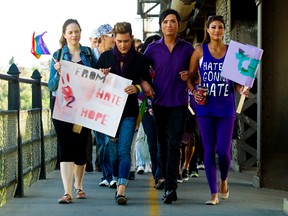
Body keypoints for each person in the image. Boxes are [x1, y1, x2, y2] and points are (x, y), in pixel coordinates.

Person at [187, 15, 249, 205]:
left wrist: (242, 89)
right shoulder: (199, 51)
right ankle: (213, 193)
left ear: (224, 30)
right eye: (213, 27)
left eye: (220, 27)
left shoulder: (232, 52)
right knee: (208, 149)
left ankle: (223, 180)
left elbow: (238, 84)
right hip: (205, 107)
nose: (217, 31)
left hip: (226, 107)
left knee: (223, 151)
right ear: (207, 29)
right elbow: (189, 77)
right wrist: (193, 91)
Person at [96, 22, 153, 205]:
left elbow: (148, 88)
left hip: (129, 111)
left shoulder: (140, 60)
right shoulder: (105, 57)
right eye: (119, 41)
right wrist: (101, 75)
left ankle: (121, 188)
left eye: (126, 41)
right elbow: (94, 84)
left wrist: (137, 87)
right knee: (112, 152)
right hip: (109, 112)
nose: (123, 45)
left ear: (131, 37)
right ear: (114, 38)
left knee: (124, 150)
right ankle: (115, 175)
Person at [144, 9, 194, 204]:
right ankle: (165, 181)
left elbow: (195, 73)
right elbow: (142, 70)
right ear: (161, 25)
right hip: (158, 102)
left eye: (173, 21)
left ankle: (171, 187)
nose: (169, 25)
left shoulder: (187, 48)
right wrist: (146, 84)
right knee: (162, 145)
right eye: (165, 22)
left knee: (174, 144)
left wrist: (189, 76)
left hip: (179, 103)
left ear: (178, 25)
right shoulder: (152, 49)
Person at [48, 18, 97, 204]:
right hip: (62, 105)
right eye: (70, 32)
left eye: (76, 31)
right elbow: (51, 85)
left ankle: (79, 185)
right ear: (64, 35)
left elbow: (98, 78)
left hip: (83, 107)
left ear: (80, 32)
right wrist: (59, 73)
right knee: (65, 146)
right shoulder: (57, 55)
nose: (74, 35)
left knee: (80, 145)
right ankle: (67, 192)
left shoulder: (89, 54)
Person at [92, 23, 117, 188]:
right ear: (103, 37)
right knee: (101, 142)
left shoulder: (117, 55)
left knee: (110, 140)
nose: (115, 39)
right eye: (112, 35)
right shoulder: (95, 56)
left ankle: (113, 174)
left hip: (111, 103)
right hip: (95, 104)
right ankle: (106, 175)